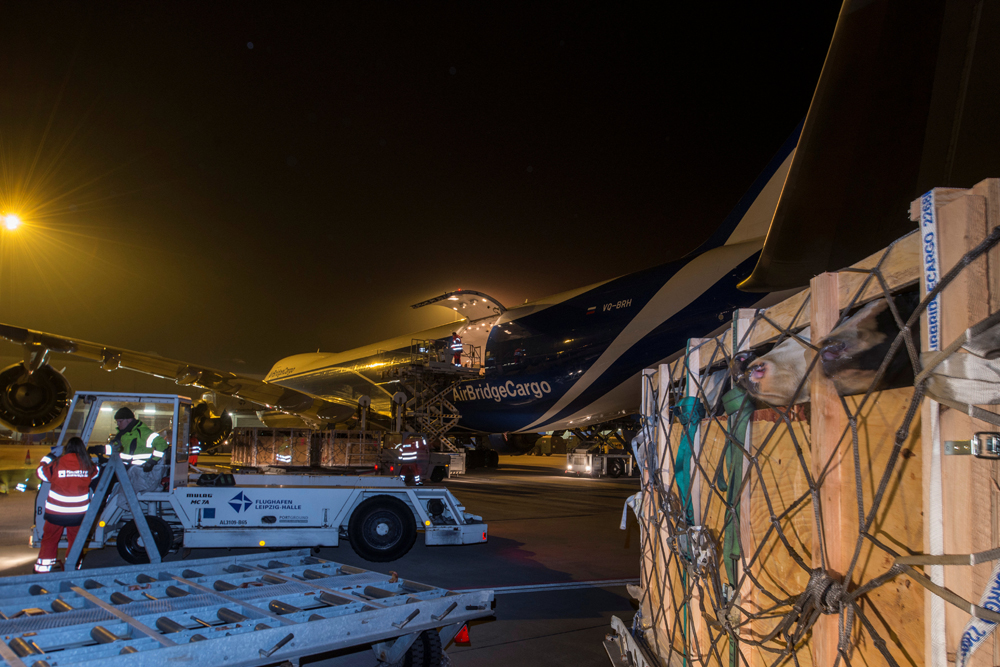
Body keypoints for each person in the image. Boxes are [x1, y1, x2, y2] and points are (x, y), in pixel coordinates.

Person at [34, 436, 100, 573]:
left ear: (67, 449)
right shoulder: (87, 465)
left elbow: (40, 473)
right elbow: (96, 472)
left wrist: (48, 457)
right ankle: (73, 567)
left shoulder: (57, 463)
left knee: (50, 539)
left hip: (55, 513)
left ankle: (44, 568)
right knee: (76, 540)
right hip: (78, 514)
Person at [105, 407, 170, 499]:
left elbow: (162, 445)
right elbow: (115, 448)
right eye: (117, 422)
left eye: (120, 421)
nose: (118, 424)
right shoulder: (122, 434)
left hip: (139, 472)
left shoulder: (144, 433)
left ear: (128, 420)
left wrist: (152, 462)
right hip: (125, 470)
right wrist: (101, 449)